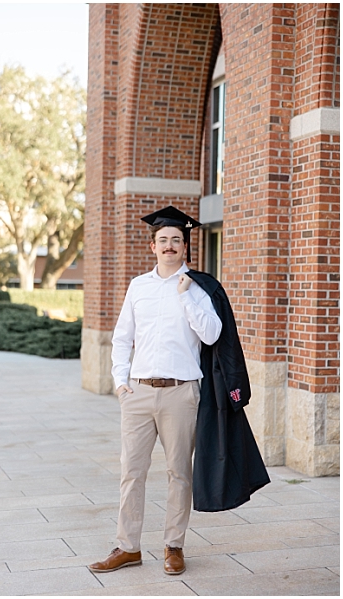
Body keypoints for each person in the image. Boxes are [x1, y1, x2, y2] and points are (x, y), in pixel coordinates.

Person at [88, 206, 222, 576]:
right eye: (163, 240)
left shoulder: (199, 288)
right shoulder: (138, 286)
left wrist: (186, 296)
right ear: (153, 246)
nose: (169, 246)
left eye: (175, 240)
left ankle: (173, 546)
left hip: (181, 394)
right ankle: (128, 547)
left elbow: (212, 333)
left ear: (184, 248)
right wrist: (120, 382)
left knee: (179, 474)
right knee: (131, 472)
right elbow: (122, 338)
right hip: (140, 394)